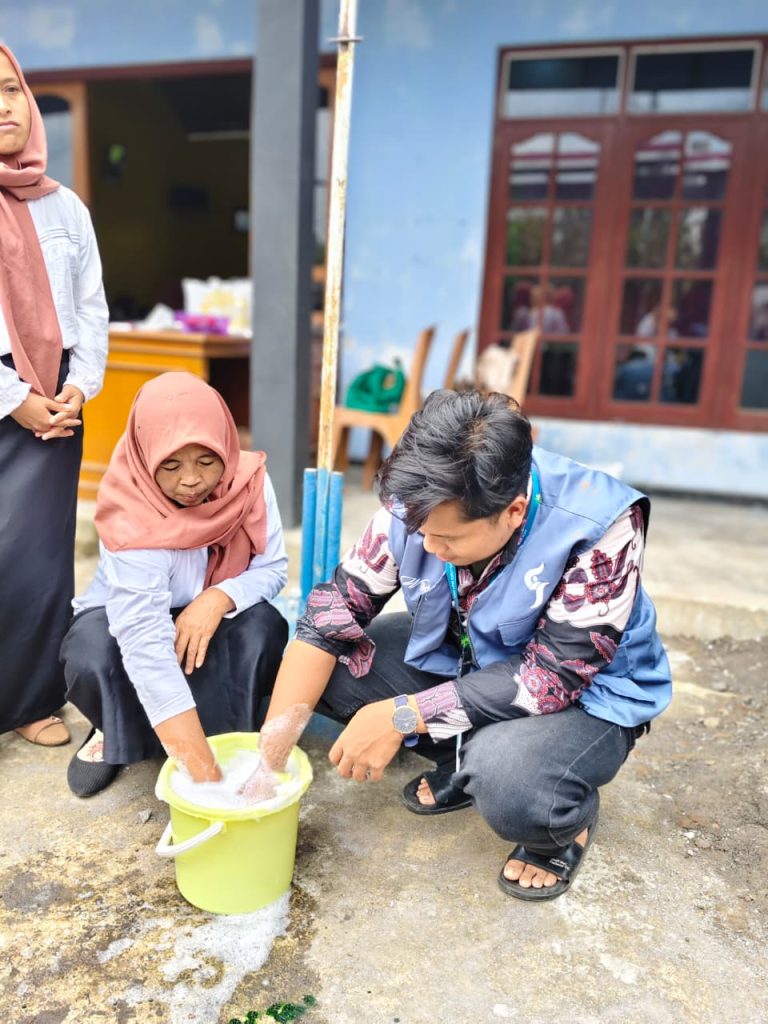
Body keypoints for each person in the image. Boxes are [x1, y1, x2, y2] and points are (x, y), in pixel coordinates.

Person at [264, 389, 671, 901]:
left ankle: (563, 820)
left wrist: (404, 715)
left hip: (585, 697)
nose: (428, 547)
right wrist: (267, 762)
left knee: (510, 782)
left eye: (448, 541)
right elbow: (330, 618)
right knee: (336, 666)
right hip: (473, 659)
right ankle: (464, 760)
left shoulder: (603, 527)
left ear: (514, 511)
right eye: (419, 531)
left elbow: (552, 678)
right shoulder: (419, 499)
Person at [60, 372, 288, 796]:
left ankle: (214, 734)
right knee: (92, 652)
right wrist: (204, 776)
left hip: (212, 610)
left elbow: (273, 568)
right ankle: (112, 730)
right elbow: (143, 639)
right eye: (170, 464)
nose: (191, 480)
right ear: (146, 457)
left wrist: (218, 597)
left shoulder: (248, 482)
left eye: (207, 461)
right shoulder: (131, 507)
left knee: (263, 629)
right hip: (130, 618)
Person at [0, 45, 108, 749]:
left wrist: (76, 388)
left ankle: (33, 699)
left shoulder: (64, 205)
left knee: (41, 561)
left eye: (10, 90)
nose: (3, 106)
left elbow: (92, 308)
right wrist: (14, 397)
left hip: (58, 404)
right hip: (7, 395)